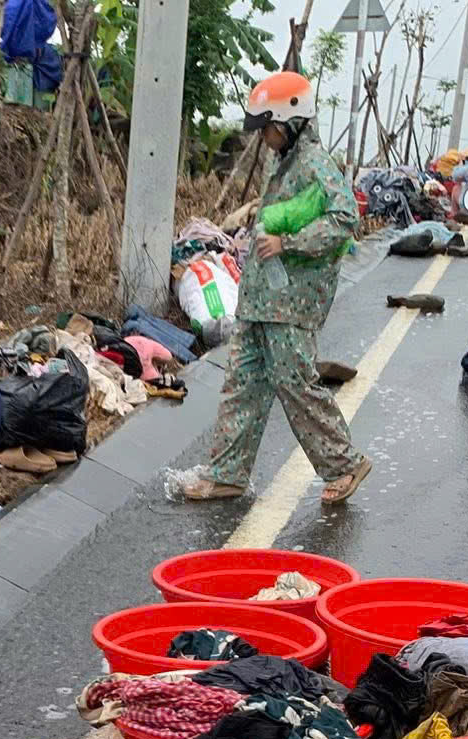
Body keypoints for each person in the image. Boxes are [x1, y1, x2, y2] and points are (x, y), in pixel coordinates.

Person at [170, 72, 370, 505]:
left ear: (292, 121)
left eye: (269, 127)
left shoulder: (315, 162)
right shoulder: (285, 160)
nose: (264, 137)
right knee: (242, 384)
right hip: (261, 298)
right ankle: (227, 473)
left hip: (292, 303)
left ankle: (345, 464)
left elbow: (344, 219)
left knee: (294, 384)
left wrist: (288, 242)